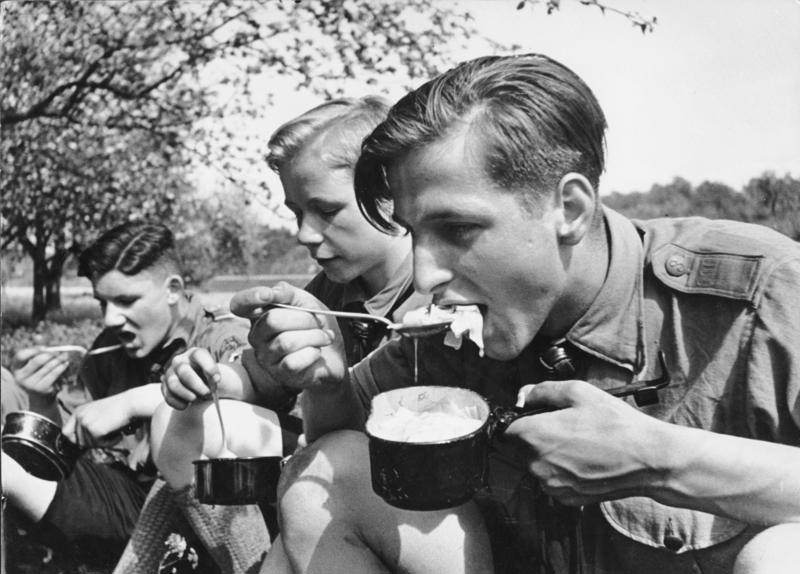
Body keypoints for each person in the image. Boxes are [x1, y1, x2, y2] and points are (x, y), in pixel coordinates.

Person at [213, 53, 800, 574]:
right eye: (414, 234)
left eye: (458, 229)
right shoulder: (449, 332)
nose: (424, 277)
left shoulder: (760, 293)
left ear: (568, 208)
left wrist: (659, 460)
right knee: (332, 472)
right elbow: (338, 441)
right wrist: (324, 378)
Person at [146, 96, 431, 571]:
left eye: (325, 210)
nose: (303, 234)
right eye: (298, 212)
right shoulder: (330, 290)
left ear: (389, 196)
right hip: (329, 463)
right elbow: (260, 375)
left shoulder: (432, 296)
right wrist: (203, 376)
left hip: (403, 494)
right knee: (176, 421)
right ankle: (251, 559)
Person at [1, 222, 252, 568]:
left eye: (126, 301)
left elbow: (254, 414)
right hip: (127, 500)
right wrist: (41, 399)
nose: (111, 319)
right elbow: (70, 443)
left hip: (199, 513)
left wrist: (135, 402)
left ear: (173, 289)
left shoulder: (221, 336)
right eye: (102, 303)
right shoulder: (112, 346)